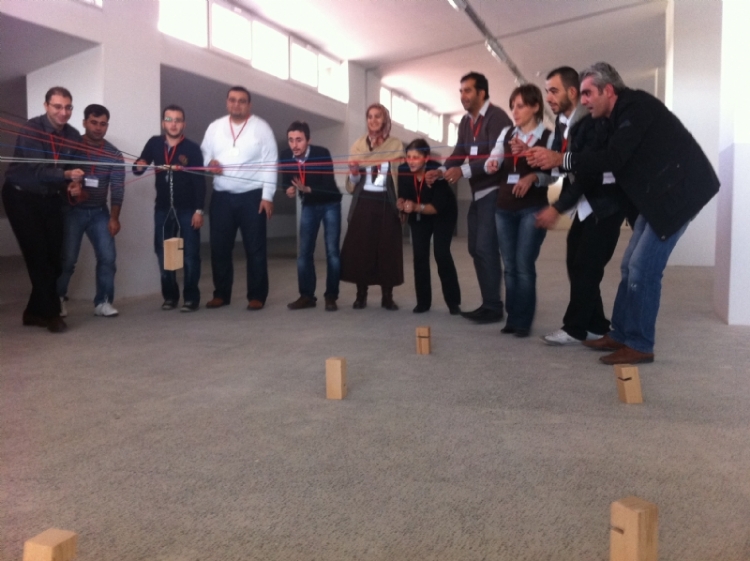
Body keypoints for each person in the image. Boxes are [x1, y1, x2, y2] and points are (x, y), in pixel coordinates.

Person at [527, 62, 720, 364]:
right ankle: (620, 334)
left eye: (588, 93)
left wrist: (561, 159)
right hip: (655, 197)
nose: (584, 100)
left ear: (608, 90)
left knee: (643, 268)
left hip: (679, 195)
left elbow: (613, 158)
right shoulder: (612, 118)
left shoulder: (636, 107)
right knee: (630, 264)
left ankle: (640, 344)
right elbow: (598, 156)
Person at [535, 66, 631, 346]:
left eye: (554, 91)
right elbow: (562, 166)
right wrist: (536, 160)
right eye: (547, 92)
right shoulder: (563, 123)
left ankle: (574, 328)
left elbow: (588, 171)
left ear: (572, 92)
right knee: (579, 265)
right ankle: (597, 325)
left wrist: (557, 207)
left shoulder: (593, 122)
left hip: (605, 204)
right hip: (585, 204)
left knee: (586, 266)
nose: (549, 97)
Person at [426, 72, 512, 324]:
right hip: (478, 193)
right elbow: (459, 152)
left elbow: (495, 159)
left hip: (495, 191)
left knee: (485, 248)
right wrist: (441, 170)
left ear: (481, 93)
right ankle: (489, 303)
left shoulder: (497, 117)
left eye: (467, 90)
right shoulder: (466, 122)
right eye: (461, 91)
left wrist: (461, 171)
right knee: (475, 248)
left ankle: (493, 307)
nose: (462, 96)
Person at [3, 86, 85, 333]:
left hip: (49, 197)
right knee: (38, 257)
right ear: (46, 106)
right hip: (21, 197)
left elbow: (72, 167)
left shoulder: (73, 135)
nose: (63, 112)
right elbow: (38, 170)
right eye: (58, 106)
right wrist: (66, 175)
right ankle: (51, 315)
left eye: (68, 107)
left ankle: (33, 312)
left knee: (55, 260)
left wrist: (73, 184)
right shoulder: (31, 129)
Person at [484, 84, 553, 337]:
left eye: (520, 106)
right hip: (503, 208)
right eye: (512, 106)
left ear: (535, 107)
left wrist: (533, 177)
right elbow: (494, 159)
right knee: (510, 266)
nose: (514, 111)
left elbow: (555, 174)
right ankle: (512, 318)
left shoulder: (548, 137)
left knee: (524, 265)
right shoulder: (506, 133)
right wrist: (492, 164)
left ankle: (523, 321)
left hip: (531, 209)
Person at [201, 86, 278, 310]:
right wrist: (209, 163)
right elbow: (204, 153)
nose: (237, 104)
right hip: (221, 196)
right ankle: (221, 294)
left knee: (255, 248)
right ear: (227, 103)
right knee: (219, 248)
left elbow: (271, 163)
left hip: (252, 197)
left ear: (249, 105)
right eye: (233, 100)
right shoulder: (214, 127)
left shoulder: (261, 128)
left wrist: (267, 196)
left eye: (242, 101)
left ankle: (257, 295)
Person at [134, 104, 206, 312]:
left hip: (188, 209)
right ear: (163, 123)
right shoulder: (154, 143)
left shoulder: (192, 148)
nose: (173, 124)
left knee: (190, 254)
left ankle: (191, 298)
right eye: (169, 119)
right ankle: (170, 296)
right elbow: (140, 166)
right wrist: (139, 165)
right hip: (163, 209)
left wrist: (199, 210)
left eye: (178, 120)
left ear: (184, 124)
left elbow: (199, 182)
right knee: (164, 252)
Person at [57, 104, 124, 318]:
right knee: (67, 260)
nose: (98, 128)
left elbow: (117, 188)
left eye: (102, 124)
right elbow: (57, 176)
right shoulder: (71, 147)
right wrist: (70, 188)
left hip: (99, 211)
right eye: (93, 123)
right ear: (84, 122)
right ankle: (57, 300)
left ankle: (103, 302)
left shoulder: (114, 154)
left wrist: (114, 218)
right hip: (72, 211)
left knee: (108, 257)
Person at [340, 103, 404, 310]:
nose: (373, 120)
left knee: (387, 249)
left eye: (378, 116)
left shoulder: (396, 145)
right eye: (370, 117)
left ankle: (387, 296)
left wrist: (402, 203)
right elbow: (352, 184)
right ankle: (361, 295)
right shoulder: (358, 146)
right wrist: (353, 173)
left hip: (387, 200)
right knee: (362, 249)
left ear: (385, 119)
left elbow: (400, 177)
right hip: (364, 201)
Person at [279, 121, 342, 312]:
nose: (294, 145)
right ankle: (307, 296)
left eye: (299, 140)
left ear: (308, 140)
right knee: (304, 253)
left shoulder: (322, 153)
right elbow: (285, 182)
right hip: (309, 205)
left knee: (332, 253)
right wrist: (288, 190)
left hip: (330, 204)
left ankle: (331, 296)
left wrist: (307, 189)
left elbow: (328, 184)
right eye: (291, 140)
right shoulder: (285, 156)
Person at [396, 138, 460, 314]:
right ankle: (423, 302)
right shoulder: (403, 170)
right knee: (419, 256)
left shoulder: (436, 171)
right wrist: (401, 203)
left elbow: (437, 207)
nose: (411, 161)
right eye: (408, 157)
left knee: (441, 253)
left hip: (443, 214)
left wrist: (415, 207)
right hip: (419, 216)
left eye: (416, 157)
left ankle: (453, 302)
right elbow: (403, 194)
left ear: (426, 157)